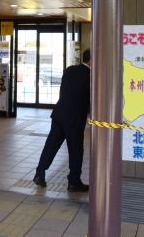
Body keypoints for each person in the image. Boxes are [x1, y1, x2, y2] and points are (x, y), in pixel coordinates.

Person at [33, 49, 91, 192]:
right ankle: (74, 182)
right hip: (75, 119)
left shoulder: (70, 70)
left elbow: (65, 91)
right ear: (91, 60)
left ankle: (40, 174)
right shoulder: (91, 76)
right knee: (76, 150)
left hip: (59, 114)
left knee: (51, 145)